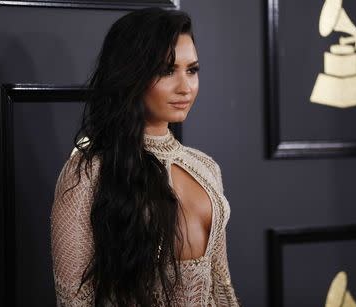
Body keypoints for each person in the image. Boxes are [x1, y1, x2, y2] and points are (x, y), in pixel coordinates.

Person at [50, 7, 240, 307]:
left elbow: (221, 287)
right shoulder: (88, 173)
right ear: (131, 75)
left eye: (192, 70)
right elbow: (74, 300)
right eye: (166, 71)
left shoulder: (205, 168)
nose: (185, 87)